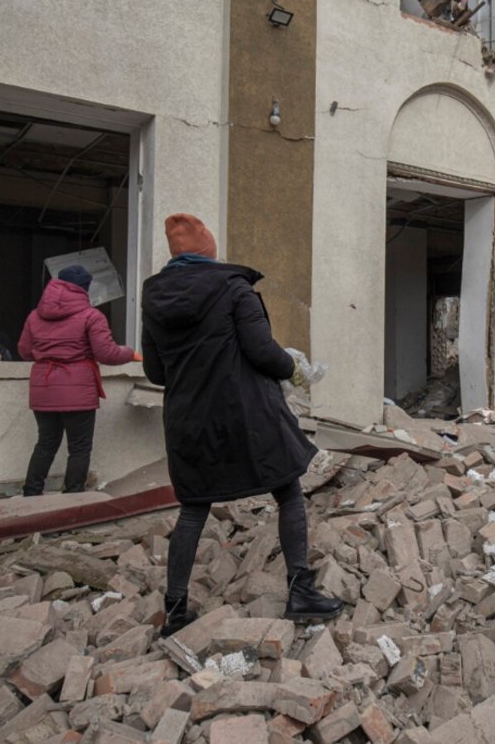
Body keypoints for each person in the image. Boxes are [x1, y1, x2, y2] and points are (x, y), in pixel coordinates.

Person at [141, 214, 343, 637]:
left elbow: (157, 372)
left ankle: (175, 613)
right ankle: (301, 594)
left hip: (188, 420)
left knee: (193, 507)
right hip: (247, 413)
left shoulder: (154, 299)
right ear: (209, 251)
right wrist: (294, 369)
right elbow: (262, 351)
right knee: (288, 490)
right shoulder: (234, 288)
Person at [18, 265, 137, 496]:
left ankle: (31, 494)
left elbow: (25, 351)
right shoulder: (91, 316)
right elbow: (106, 354)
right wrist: (130, 353)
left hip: (44, 388)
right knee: (79, 448)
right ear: (85, 289)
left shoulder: (35, 315)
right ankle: (72, 498)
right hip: (78, 391)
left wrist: (49, 354)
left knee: (45, 444)